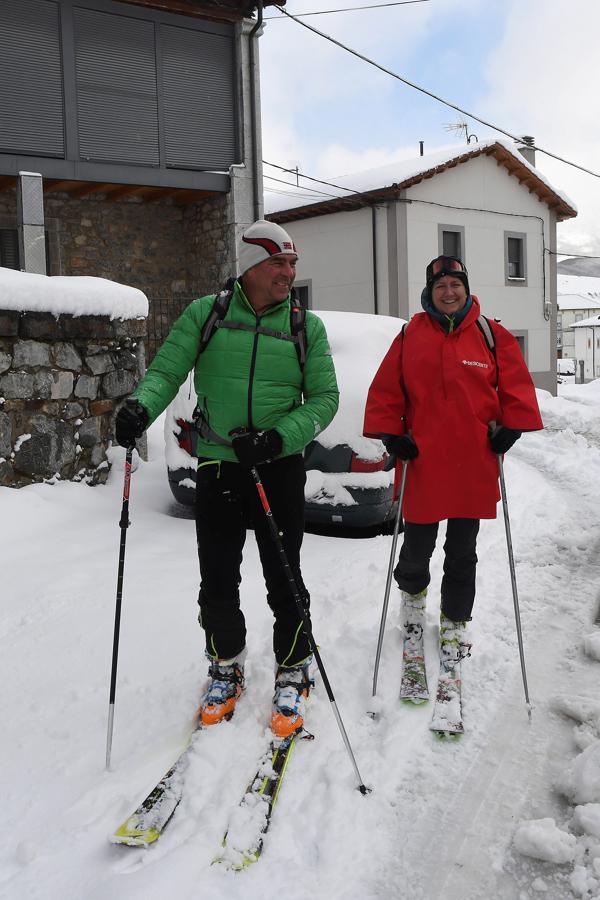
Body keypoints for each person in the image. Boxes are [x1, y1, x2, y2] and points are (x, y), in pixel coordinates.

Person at [115, 220, 339, 739]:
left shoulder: (307, 327)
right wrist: (139, 409)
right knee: (217, 577)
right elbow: (167, 371)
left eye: (292, 264)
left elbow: (325, 400)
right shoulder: (207, 314)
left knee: (284, 574)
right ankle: (226, 663)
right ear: (251, 266)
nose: (288, 273)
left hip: (276, 466)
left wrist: (277, 438)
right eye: (278, 264)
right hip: (218, 463)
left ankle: (293, 664)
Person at [363, 255, 543, 669]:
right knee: (416, 548)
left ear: (466, 287)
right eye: (441, 285)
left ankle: (456, 618)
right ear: (430, 291)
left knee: (463, 551)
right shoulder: (410, 335)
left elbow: (515, 384)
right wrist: (392, 434)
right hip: (423, 461)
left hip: (471, 463)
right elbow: (388, 390)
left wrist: (510, 428)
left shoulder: (491, 334)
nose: (449, 291)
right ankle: (412, 602)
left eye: (455, 284)